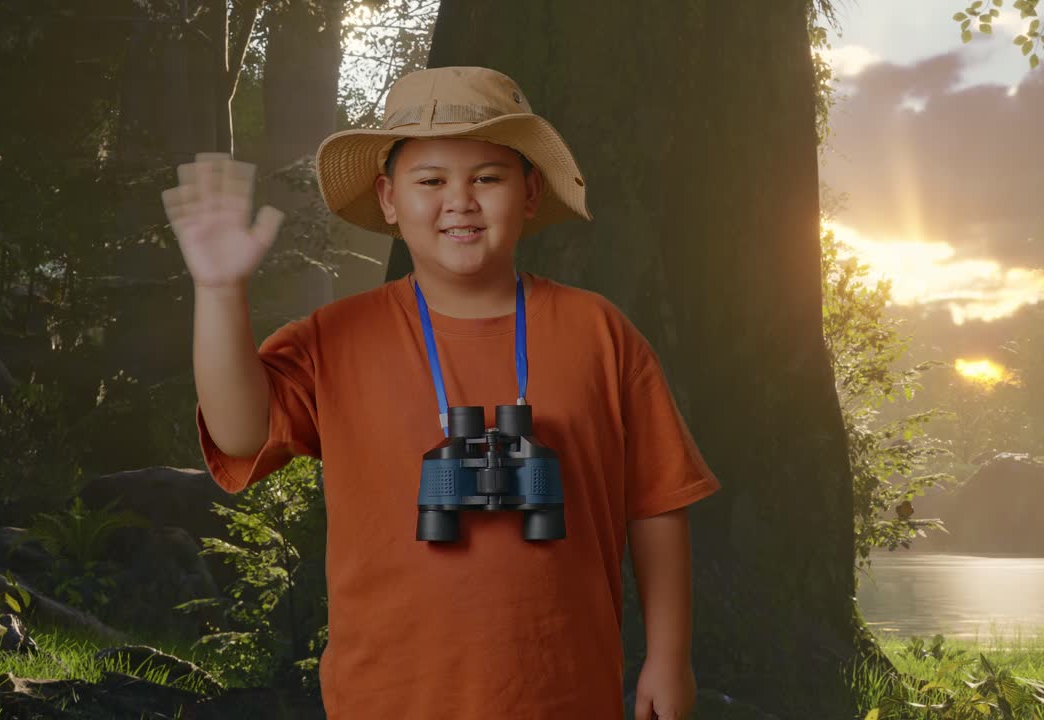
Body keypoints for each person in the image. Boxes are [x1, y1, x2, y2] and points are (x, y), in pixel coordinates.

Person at [165, 65, 722, 720]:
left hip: (565, 695)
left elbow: (656, 501)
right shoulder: (336, 336)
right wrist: (220, 291)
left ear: (531, 192)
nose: (461, 200)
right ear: (389, 198)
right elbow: (238, 434)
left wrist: (668, 654)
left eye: (488, 178)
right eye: (430, 181)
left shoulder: (598, 331)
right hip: (387, 698)